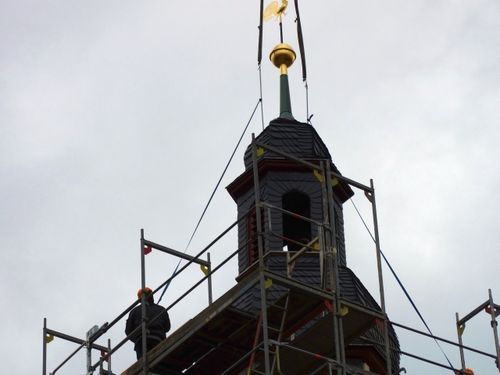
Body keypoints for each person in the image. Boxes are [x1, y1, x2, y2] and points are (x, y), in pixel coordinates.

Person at [125, 287, 171, 360]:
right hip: (158, 339)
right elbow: (167, 327)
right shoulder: (161, 309)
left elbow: (128, 331)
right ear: (151, 295)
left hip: (141, 341)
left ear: (140, 299)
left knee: (143, 366)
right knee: (159, 363)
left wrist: (137, 338)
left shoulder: (135, 311)